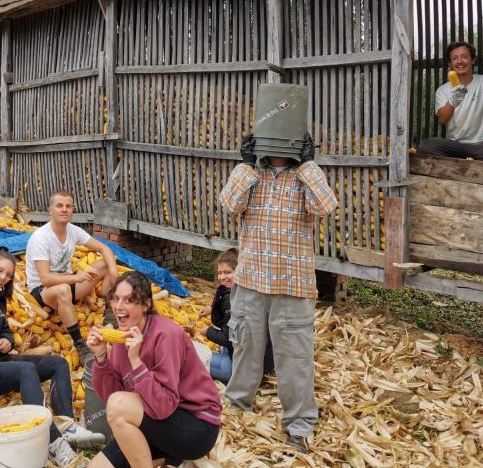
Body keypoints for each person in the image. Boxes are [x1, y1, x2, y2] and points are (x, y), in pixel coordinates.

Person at [219, 133, 337, 453]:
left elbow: (326, 206)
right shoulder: (251, 175)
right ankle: (237, 407)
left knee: (295, 360)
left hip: (292, 285)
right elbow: (229, 204)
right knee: (245, 349)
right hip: (251, 282)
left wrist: (309, 163)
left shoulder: (304, 177)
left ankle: (299, 424)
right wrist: (245, 165)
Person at [0, 247, 103, 467]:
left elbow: (3, 329)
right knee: (25, 370)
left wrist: (8, 340)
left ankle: (68, 427)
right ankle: (53, 444)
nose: (2, 279)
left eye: (8, 276)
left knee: (58, 364)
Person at [85, 271, 222, 468]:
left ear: (146, 304)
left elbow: (164, 406)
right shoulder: (120, 341)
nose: (119, 307)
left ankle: (165, 457)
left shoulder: (166, 335)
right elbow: (112, 397)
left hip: (195, 426)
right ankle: (167, 457)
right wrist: (100, 357)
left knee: (119, 404)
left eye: (129, 300)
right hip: (155, 421)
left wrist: (136, 360)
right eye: (115, 299)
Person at [25, 190, 118, 367]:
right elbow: (45, 279)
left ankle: (109, 311)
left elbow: (104, 249)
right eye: (59, 205)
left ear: (72, 211)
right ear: (50, 210)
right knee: (63, 289)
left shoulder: (73, 231)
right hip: (43, 291)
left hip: (68, 282)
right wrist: (76, 279)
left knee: (106, 264)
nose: (64, 209)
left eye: (68, 206)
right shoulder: (40, 238)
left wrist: (113, 270)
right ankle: (79, 344)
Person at [418, 41, 483, 162]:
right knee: (426, 145)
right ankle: (466, 160)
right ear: (450, 64)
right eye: (455, 58)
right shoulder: (443, 90)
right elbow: (442, 119)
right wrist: (453, 101)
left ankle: (465, 160)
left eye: (464, 57)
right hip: (455, 145)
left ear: (472, 60)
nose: (460, 61)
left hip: (482, 144)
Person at [198, 248, 273, 384]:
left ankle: (229, 376)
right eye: (219, 273)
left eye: (227, 272)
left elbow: (229, 339)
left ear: (240, 273)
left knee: (193, 359)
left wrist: (207, 332)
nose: (222, 277)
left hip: (242, 371)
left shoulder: (234, 303)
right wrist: (211, 309)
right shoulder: (252, 291)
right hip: (263, 362)